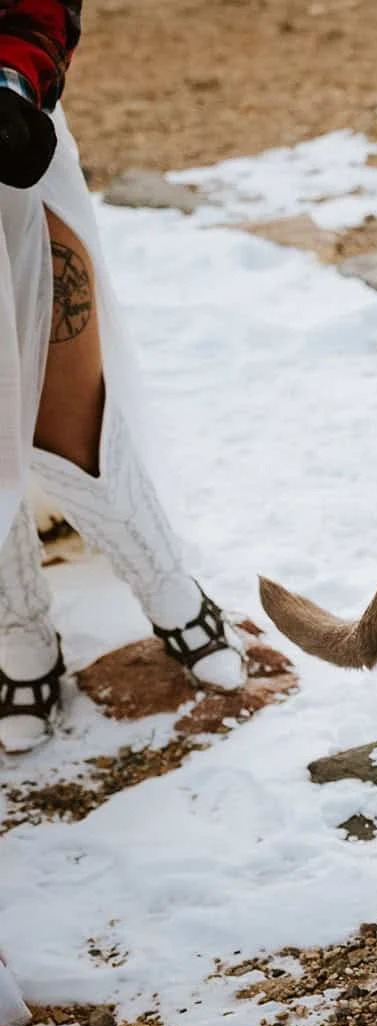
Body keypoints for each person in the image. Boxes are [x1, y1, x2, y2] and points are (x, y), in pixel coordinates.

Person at [0, 0, 248, 754]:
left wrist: (14, 75)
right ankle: (19, 623)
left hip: (11, 139)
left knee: (68, 407)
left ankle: (167, 584)